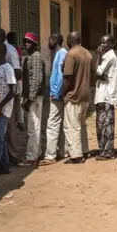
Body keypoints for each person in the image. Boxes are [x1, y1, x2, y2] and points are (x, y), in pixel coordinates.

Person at [62, 31, 92, 164]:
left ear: (70, 40)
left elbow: (67, 77)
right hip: (85, 94)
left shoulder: (71, 54)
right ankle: (85, 150)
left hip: (74, 95)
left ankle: (76, 155)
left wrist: (63, 94)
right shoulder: (88, 54)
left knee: (71, 126)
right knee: (82, 125)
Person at [0, 28, 24, 165]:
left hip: (8, 100)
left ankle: (13, 155)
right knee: (2, 132)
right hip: (1, 100)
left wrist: (9, 73)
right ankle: (5, 162)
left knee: (8, 128)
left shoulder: (9, 51)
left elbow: (18, 73)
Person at [40, 34, 69, 166]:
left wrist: (56, 93)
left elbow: (61, 76)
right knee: (61, 123)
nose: (48, 42)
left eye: (50, 40)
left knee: (52, 124)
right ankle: (63, 152)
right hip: (57, 94)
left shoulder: (62, 54)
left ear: (55, 41)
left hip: (57, 95)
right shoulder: (58, 54)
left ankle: (50, 155)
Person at [19, 32, 44, 167]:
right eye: (25, 41)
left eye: (29, 42)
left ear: (35, 44)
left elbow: (37, 79)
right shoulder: (31, 57)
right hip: (32, 96)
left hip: (34, 97)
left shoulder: (35, 57)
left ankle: (31, 156)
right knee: (34, 126)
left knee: (33, 127)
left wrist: (30, 98)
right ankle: (37, 152)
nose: (26, 44)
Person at [94, 35, 117, 160]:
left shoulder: (109, 57)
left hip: (107, 96)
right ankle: (102, 149)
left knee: (106, 125)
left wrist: (97, 55)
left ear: (111, 44)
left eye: (104, 43)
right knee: (101, 124)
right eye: (101, 42)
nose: (102, 45)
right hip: (102, 95)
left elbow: (97, 72)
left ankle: (108, 152)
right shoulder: (106, 56)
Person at [0, 42, 16, 174]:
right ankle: (5, 166)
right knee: (1, 138)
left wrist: (1, 105)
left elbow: (13, 90)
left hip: (4, 109)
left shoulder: (8, 69)